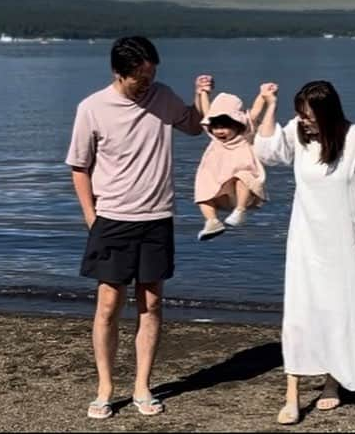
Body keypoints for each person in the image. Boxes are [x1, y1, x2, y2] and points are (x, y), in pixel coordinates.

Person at [65, 36, 213, 420]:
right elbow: (79, 167)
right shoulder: (92, 108)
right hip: (111, 219)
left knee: (152, 303)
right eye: (140, 79)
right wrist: (91, 218)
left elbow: (196, 128)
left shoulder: (163, 97)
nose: (147, 84)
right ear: (118, 73)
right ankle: (105, 388)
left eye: (151, 75)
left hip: (156, 217)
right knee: (109, 304)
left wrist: (201, 97)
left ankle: (142, 387)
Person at [253, 80, 355, 425]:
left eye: (308, 116)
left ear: (327, 113)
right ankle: (292, 393)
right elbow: (267, 152)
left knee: (339, 311)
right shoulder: (297, 133)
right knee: (300, 312)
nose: (303, 121)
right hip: (305, 239)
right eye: (299, 115)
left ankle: (332, 383)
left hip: (344, 240)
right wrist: (269, 105)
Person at [193, 90, 269, 241]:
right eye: (216, 127)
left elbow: (255, 112)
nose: (219, 131)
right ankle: (212, 221)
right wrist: (203, 93)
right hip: (217, 181)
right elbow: (207, 112)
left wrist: (263, 95)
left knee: (243, 177)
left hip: (240, 186)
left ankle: (240, 211)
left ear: (237, 125)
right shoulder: (214, 138)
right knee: (202, 193)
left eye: (225, 127)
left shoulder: (244, 135)